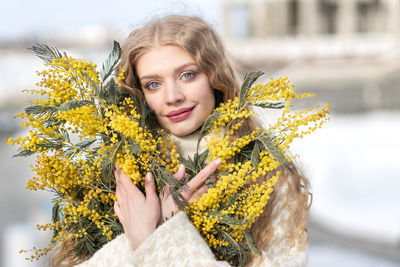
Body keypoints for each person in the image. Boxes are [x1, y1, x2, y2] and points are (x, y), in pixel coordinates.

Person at [51, 15, 310, 267]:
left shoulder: (268, 177)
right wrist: (146, 236)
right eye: (153, 84)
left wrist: (155, 237)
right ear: (139, 94)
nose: (172, 96)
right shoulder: (113, 177)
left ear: (215, 77)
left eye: (187, 75)